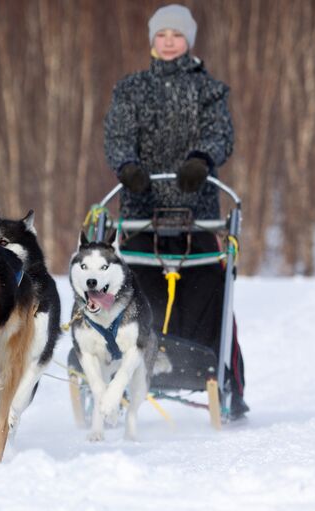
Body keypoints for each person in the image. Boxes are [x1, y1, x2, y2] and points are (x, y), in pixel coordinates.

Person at [103, 4, 249, 419]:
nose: (169, 42)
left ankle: (218, 378)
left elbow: (220, 132)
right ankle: (124, 372)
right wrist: (126, 166)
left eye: (177, 35)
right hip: (140, 211)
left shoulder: (210, 91)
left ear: (189, 40)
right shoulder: (130, 89)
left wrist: (202, 159)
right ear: (152, 40)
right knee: (135, 295)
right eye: (162, 35)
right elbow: (117, 133)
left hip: (196, 211)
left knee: (207, 292)